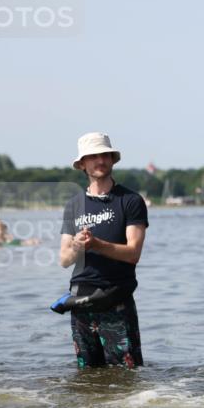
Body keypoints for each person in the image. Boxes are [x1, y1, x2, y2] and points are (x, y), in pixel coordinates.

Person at [58, 133, 148, 369]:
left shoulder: (130, 200)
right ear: (82, 164)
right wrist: (78, 246)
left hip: (115, 300)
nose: (100, 160)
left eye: (105, 154)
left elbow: (133, 253)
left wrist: (96, 244)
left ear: (112, 159)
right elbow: (64, 260)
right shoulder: (74, 205)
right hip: (80, 303)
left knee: (128, 378)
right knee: (86, 377)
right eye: (93, 156)